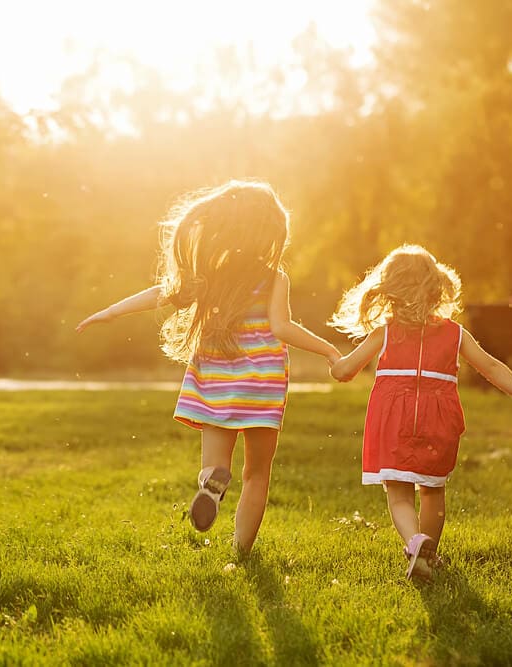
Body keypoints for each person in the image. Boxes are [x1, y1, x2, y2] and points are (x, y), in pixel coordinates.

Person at [76, 180, 341, 557]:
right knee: (257, 473)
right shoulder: (274, 278)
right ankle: (241, 551)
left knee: (215, 465)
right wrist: (329, 349)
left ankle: (210, 485)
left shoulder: (211, 272)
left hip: (217, 379)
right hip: (262, 384)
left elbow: (163, 293)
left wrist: (112, 311)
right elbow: (282, 327)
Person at [328, 244, 512, 581]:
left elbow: (345, 371)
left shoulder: (384, 334)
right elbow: (491, 367)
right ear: (436, 288)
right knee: (433, 491)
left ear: (390, 290)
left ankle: (414, 541)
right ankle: (429, 553)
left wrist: (333, 360)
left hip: (393, 419)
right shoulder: (455, 334)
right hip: (439, 420)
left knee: (399, 493)